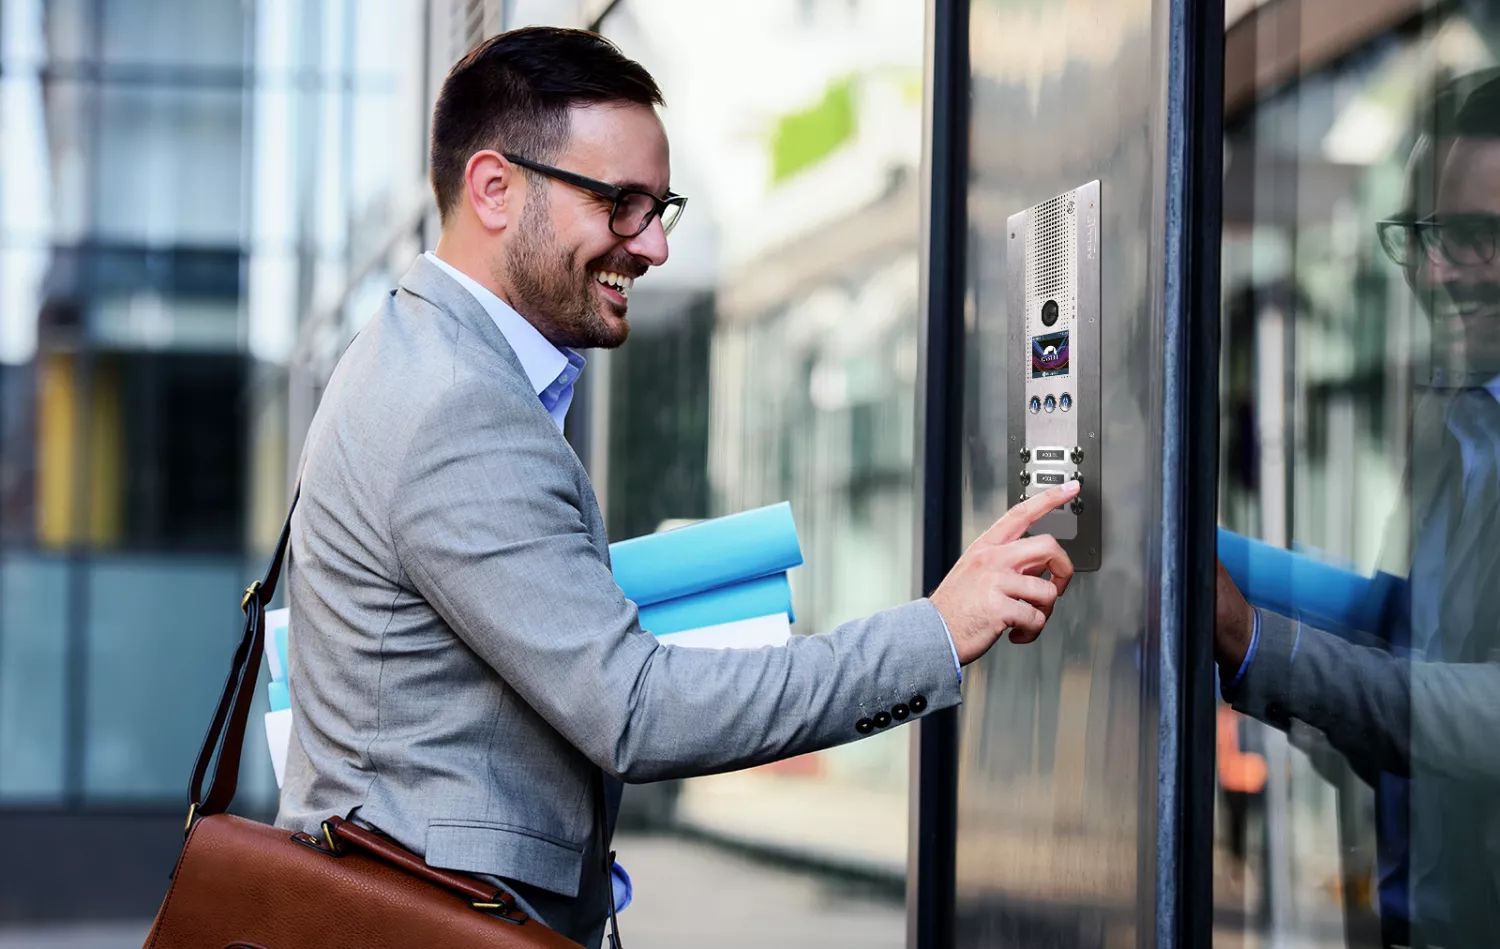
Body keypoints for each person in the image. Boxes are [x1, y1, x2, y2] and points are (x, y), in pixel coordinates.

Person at [274, 26, 1079, 946]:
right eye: (620, 204)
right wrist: (936, 630)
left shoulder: (415, 353)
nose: (652, 245)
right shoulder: (456, 401)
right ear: (494, 188)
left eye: (661, 209)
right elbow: (637, 711)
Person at [1215, 73, 1500, 949]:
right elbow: (1400, 625)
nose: (1434, 272)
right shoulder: (1457, 423)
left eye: (1474, 238)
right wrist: (1192, 548)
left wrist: (1252, 640)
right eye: (1421, 236)